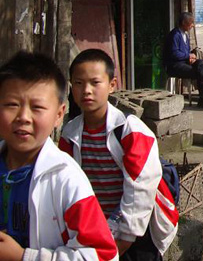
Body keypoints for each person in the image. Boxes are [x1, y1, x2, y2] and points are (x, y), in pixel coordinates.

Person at [60, 49, 177, 260]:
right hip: (93, 228)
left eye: (95, 83)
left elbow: (140, 187)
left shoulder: (130, 130)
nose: (86, 90)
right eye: (78, 83)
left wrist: (125, 238)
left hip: (137, 231)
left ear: (111, 85)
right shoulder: (70, 133)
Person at [0, 51, 118, 260]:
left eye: (37, 107)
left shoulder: (66, 179)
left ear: (58, 114)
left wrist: (24, 257)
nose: (23, 117)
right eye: (12, 105)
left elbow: (103, 255)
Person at [164, 12, 203, 107]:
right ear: (183, 22)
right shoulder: (175, 35)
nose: (192, 25)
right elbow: (174, 53)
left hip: (185, 63)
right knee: (199, 72)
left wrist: (191, 58)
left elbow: (185, 52)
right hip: (175, 65)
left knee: (201, 64)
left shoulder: (185, 35)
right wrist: (188, 56)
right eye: (191, 23)